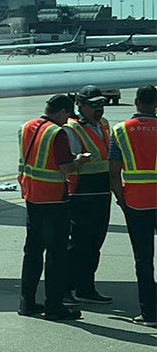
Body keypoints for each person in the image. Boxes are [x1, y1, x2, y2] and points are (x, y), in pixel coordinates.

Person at [17, 94, 91, 320]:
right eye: (67, 116)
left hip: (32, 196)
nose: (68, 121)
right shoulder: (57, 133)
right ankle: (54, 306)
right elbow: (66, 167)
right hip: (53, 200)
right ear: (62, 112)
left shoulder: (27, 126)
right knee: (57, 255)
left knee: (32, 251)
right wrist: (80, 160)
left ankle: (27, 302)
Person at [108, 84, 157, 328]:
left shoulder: (120, 130)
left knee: (143, 259)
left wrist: (121, 199)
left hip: (136, 202)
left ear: (136, 102)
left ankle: (150, 313)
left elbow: (114, 172)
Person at [63, 85, 113, 304]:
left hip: (102, 190)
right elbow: (69, 163)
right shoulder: (72, 129)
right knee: (79, 243)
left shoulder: (104, 124)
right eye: (94, 105)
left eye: (101, 104)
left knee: (95, 242)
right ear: (81, 106)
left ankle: (85, 287)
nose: (99, 109)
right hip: (81, 192)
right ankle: (67, 288)